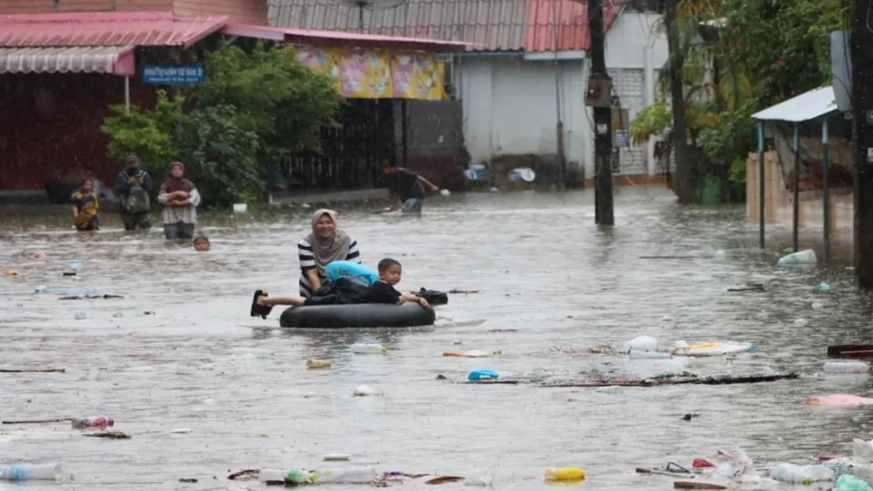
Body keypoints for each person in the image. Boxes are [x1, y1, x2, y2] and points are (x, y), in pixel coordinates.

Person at [251, 257, 429, 318]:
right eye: (393, 273)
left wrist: (418, 298)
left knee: (305, 301)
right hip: (343, 300)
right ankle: (264, 300)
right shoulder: (383, 288)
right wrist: (414, 298)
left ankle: (267, 300)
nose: (397, 277)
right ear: (381, 274)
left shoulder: (383, 286)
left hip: (348, 296)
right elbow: (399, 299)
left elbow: (402, 295)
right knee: (304, 301)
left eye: (399, 273)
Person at [297, 209, 361, 297]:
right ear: (314, 225)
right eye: (320, 223)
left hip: (342, 284)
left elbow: (354, 270)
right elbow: (312, 274)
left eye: (329, 222)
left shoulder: (348, 241)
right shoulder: (305, 243)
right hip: (311, 288)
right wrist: (320, 298)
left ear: (334, 224)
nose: (325, 226)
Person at [158, 162, 201, 240]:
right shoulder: (166, 185)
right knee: (171, 241)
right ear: (171, 171)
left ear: (183, 171)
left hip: (187, 218)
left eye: (179, 169)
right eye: (174, 169)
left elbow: (195, 198)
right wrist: (176, 193)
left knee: (186, 241)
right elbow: (161, 198)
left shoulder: (189, 184)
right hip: (170, 218)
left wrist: (181, 203)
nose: (177, 171)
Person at [115, 155, 154, 231]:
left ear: (138, 163)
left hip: (143, 209)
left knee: (146, 230)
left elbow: (150, 188)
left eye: (134, 163)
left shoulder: (145, 175)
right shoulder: (122, 176)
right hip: (127, 210)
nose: (132, 165)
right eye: (130, 163)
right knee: (129, 230)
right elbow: (118, 190)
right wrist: (129, 183)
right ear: (126, 164)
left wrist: (142, 183)